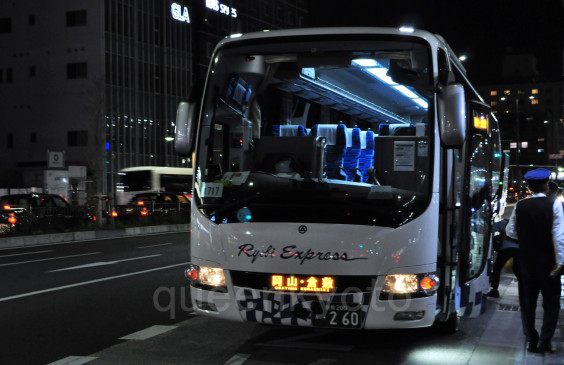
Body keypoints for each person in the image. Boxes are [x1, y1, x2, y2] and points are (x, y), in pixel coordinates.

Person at [505, 168, 564, 354]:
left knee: (527, 302)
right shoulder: (554, 205)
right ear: (547, 185)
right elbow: (559, 236)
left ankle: (531, 340)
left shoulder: (520, 205)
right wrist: (560, 262)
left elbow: (510, 231)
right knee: (551, 302)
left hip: (526, 261)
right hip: (548, 262)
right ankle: (545, 341)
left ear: (529, 187)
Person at [487, 218, 519, 298]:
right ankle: (525, 289)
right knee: (518, 270)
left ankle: (494, 290)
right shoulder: (523, 223)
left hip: (506, 249)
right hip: (519, 250)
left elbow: (490, 228)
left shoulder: (504, 223)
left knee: (497, 267)